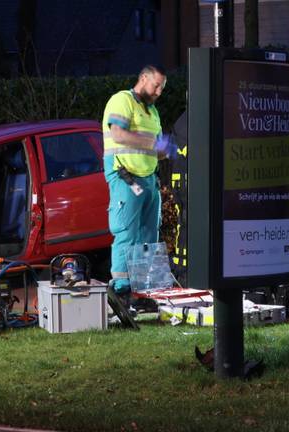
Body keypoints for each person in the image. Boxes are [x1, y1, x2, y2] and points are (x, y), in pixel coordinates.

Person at [101, 65, 176, 302]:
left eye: (162, 88)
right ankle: (122, 289)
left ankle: (147, 290)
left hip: (147, 178)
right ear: (143, 78)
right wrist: (154, 144)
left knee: (149, 233)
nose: (159, 92)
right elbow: (119, 134)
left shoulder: (152, 112)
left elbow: (154, 148)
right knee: (127, 232)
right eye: (156, 85)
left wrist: (168, 150)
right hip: (125, 175)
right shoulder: (122, 100)